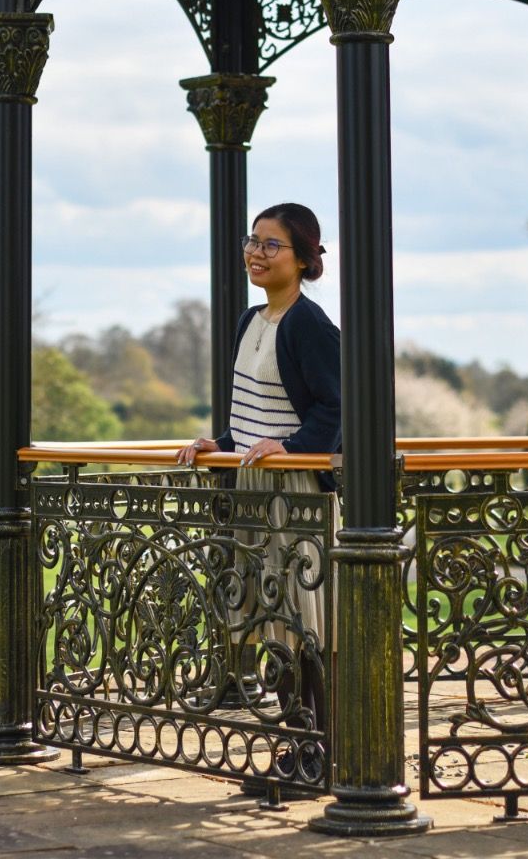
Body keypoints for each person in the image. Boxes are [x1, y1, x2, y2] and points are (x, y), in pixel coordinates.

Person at [177, 203, 340, 773]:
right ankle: (298, 745)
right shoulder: (251, 321)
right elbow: (252, 417)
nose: (256, 253)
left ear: (303, 260)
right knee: (267, 616)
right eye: (253, 241)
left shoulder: (310, 325)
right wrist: (217, 444)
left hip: (291, 490)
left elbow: (335, 410)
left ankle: (319, 748)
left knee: (301, 617)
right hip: (253, 484)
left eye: (272, 245)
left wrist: (291, 447)